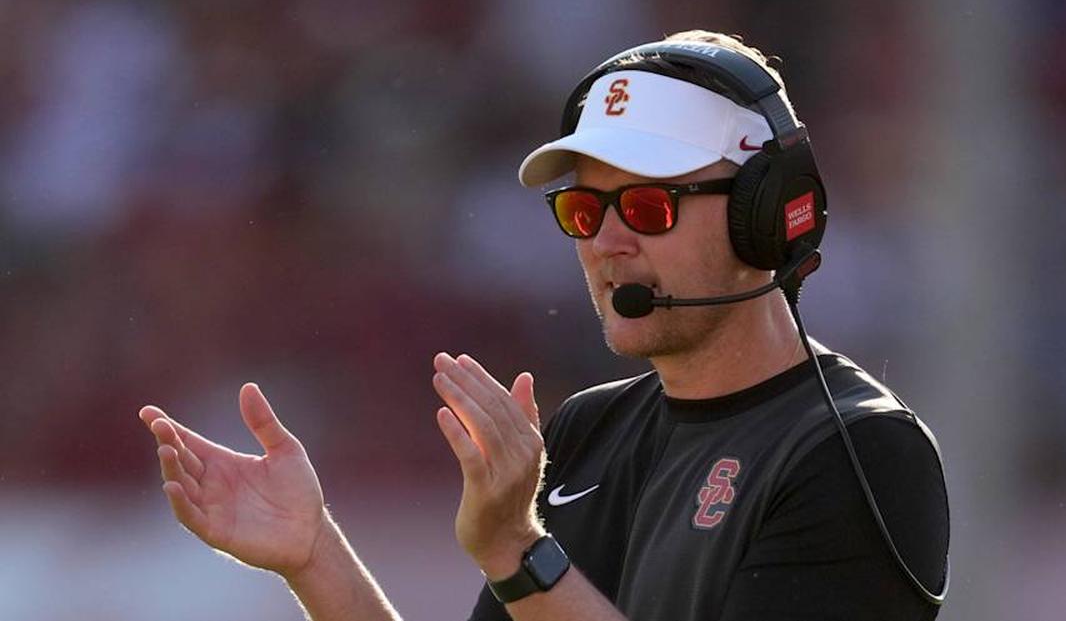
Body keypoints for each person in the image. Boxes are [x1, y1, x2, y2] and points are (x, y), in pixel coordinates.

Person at [140, 30, 949, 621]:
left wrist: (519, 553)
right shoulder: (588, 429)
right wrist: (316, 554)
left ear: (763, 216)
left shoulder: (862, 451)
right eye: (584, 210)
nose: (606, 242)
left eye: (648, 205)